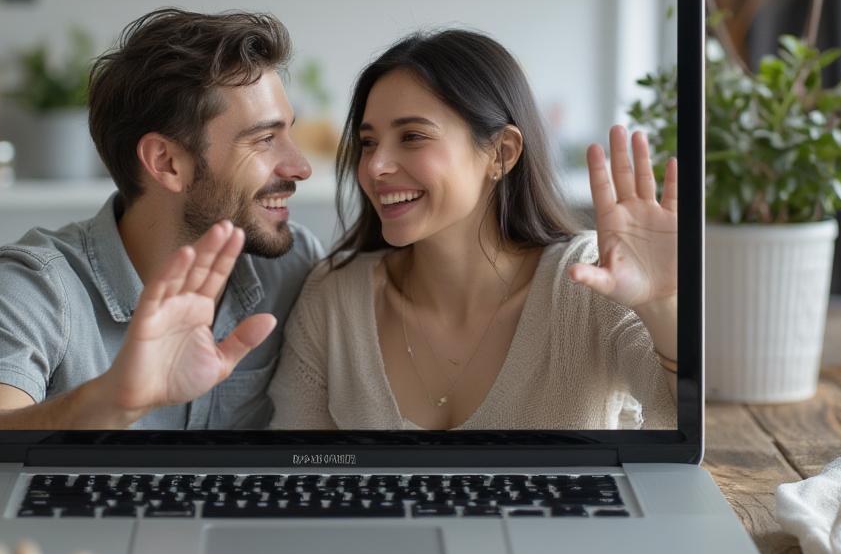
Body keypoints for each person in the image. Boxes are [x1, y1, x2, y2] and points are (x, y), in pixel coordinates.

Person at [267, 29, 678, 431]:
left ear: (502, 153)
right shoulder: (334, 297)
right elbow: (296, 467)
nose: (375, 167)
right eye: (369, 142)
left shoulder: (592, 279)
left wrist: (662, 306)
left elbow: (681, 423)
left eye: (412, 137)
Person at [0, 9, 323, 429]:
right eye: (264, 140)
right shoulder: (30, 287)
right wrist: (111, 401)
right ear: (166, 162)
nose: (300, 167)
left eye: (288, 134)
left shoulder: (292, 266)